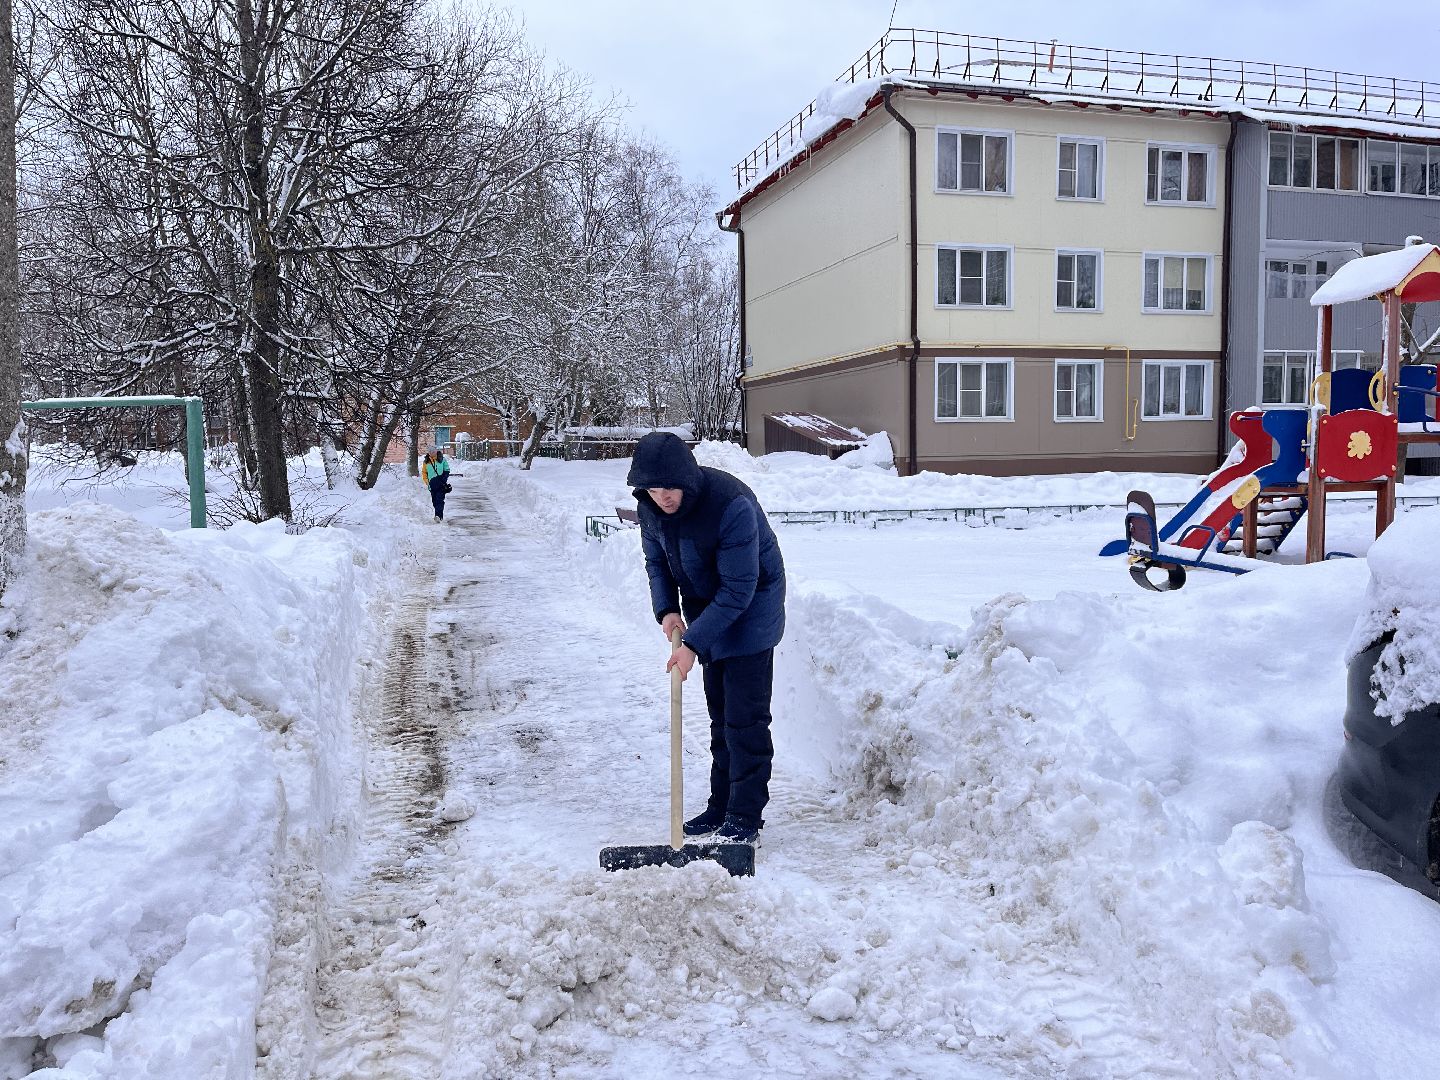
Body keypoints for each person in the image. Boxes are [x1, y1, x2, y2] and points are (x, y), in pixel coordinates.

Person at [626, 432, 785, 845]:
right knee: (720, 717)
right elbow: (656, 562)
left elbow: (739, 589)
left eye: (670, 487)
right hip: (707, 610)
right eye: (653, 488)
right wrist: (667, 610)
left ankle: (745, 817)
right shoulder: (650, 509)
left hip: (752, 608)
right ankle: (721, 805)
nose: (663, 497)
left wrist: (693, 645)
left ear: (687, 479)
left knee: (744, 719)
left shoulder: (729, 505)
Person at [422, 448, 451, 521]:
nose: (432, 453)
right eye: (430, 451)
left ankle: (438, 515)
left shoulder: (442, 459)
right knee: (434, 501)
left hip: (441, 484)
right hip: (431, 484)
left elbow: (447, 470)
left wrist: (444, 479)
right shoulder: (426, 461)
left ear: (436, 451)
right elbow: (424, 473)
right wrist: (427, 482)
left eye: (433, 451)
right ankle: (439, 516)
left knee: (439, 500)